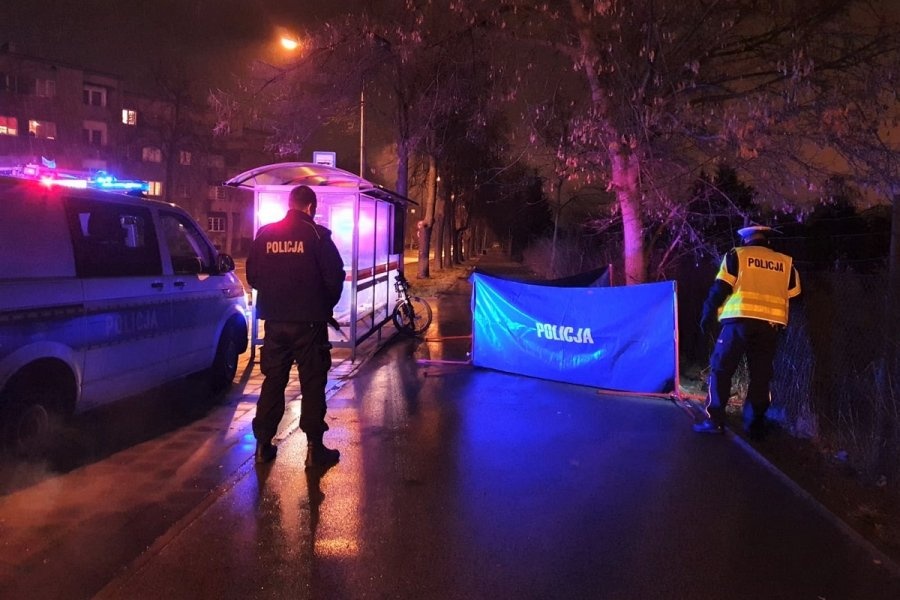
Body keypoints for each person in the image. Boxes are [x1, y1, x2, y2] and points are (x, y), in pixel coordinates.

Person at [246, 185, 346, 468]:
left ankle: (263, 445)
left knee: (273, 380)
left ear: (289, 204)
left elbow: (253, 276)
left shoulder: (266, 234)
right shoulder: (318, 235)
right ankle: (314, 450)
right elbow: (335, 277)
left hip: (275, 322)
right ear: (311, 207)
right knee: (312, 382)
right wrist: (322, 306)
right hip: (310, 324)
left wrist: (276, 295)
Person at [693, 225, 801, 439]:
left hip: (738, 322)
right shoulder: (786, 263)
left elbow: (721, 288)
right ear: (767, 241)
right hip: (770, 326)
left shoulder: (737, 255)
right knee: (761, 376)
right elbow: (795, 296)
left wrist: (707, 313)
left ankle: (715, 420)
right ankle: (754, 426)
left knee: (721, 368)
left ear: (746, 240)